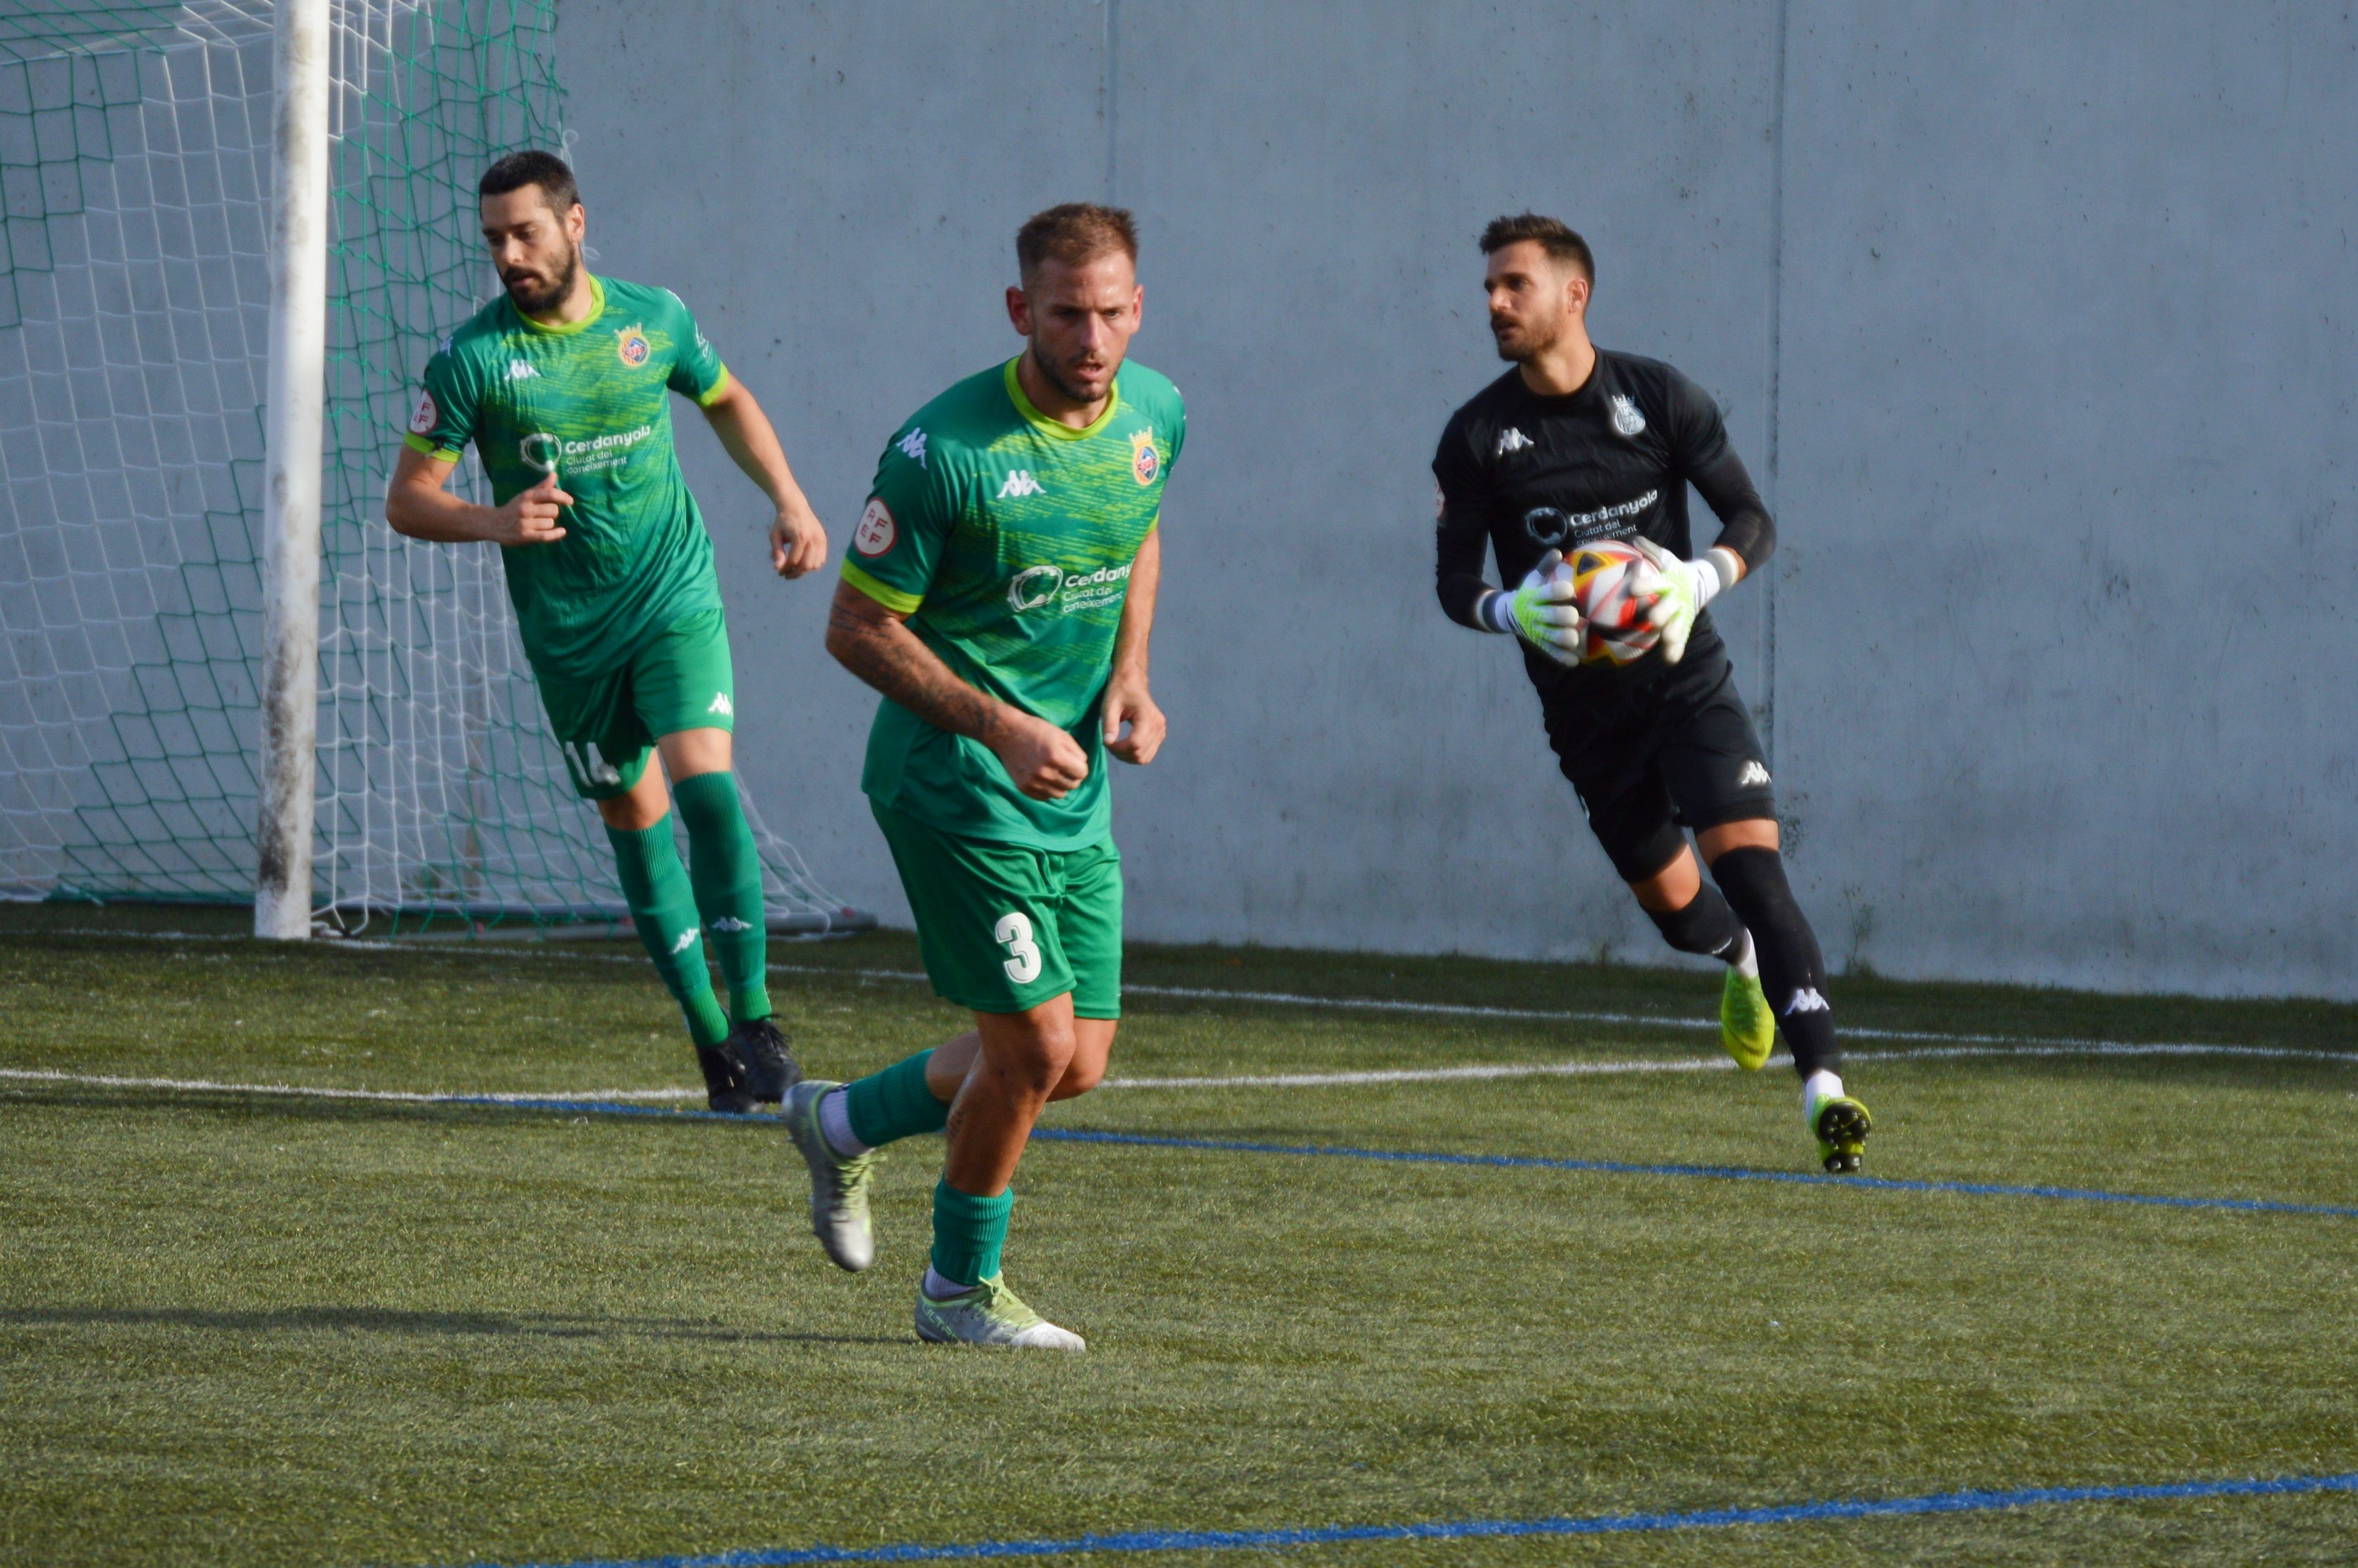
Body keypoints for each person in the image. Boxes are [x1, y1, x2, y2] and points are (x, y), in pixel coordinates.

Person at [781, 203, 1180, 1349]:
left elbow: (1137, 527)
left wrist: (1131, 679)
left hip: (1069, 781)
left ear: (1137, 308)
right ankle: (957, 1292)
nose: (1092, 338)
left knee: (1080, 1064)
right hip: (952, 782)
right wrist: (998, 725)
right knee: (1032, 1049)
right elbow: (853, 629)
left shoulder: (1156, 414)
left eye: (1111, 313)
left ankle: (841, 1122)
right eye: (1066, 314)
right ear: (1020, 311)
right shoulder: (940, 454)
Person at [385, 150, 829, 1112]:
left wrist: (789, 498)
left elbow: (726, 398)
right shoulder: (471, 360)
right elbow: (408, 501)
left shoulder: (652, 318)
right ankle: (712, 1043)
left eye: (526, 232)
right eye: (494, 239)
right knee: (636, 821)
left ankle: (755, 1018)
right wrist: (495, 520)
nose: (509, 253)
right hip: (569, 637)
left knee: (705, 786)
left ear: (575, 224)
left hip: (672, 596)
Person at [1431, 213, 1872, 1173]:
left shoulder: (1659, 397)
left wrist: (1697, 578)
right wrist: (1510, 610)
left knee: (1755, 873)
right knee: (1681, 912)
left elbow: (1750, 516)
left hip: (1686, 684)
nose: (1495, 304)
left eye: (1514, 285)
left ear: (1572, 294)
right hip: (1586, 720)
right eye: (1488, 289)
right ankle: (1738, 962)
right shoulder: (1475, 436)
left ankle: (1824, 1092)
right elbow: (1451, 584)